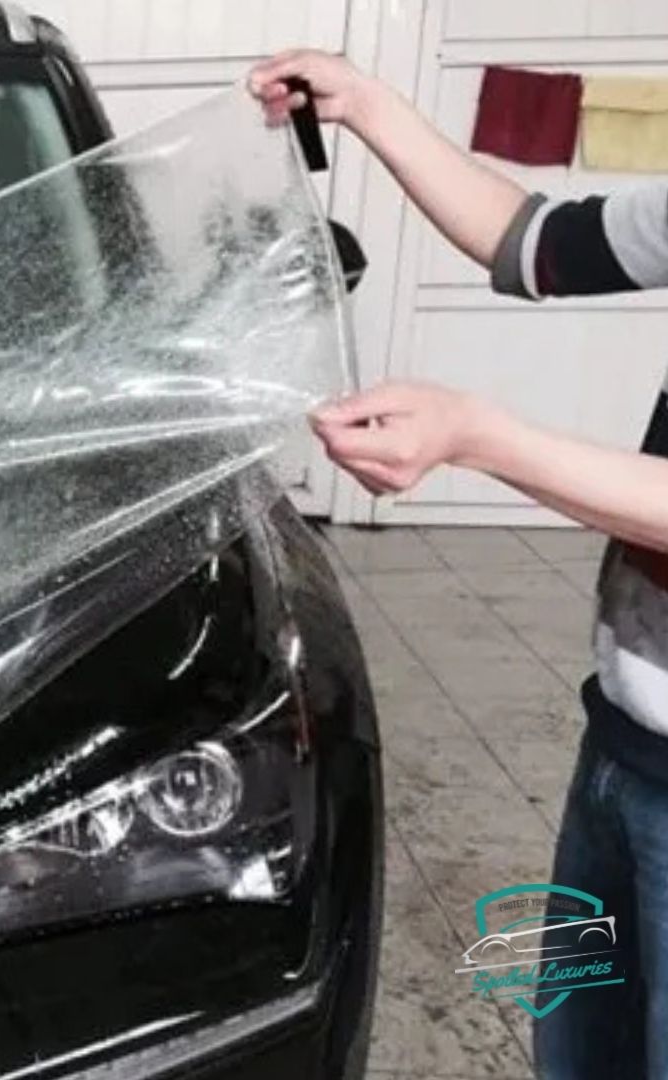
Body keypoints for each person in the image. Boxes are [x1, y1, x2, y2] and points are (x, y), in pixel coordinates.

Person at [248, 50, 668, 1079]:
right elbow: (535, 242)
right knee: (581, 1052)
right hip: (620, 742)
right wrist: (371, 107)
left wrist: (481, 440)